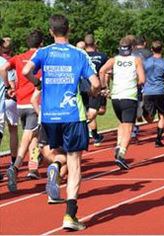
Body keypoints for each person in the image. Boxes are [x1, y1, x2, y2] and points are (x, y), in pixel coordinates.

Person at [23, 14, 100, 231]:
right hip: (73, 115)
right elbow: (95, 83)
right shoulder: (79, 54)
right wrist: (95, 90)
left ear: (50, 31)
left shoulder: (43, 52)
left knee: (51, 151)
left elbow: (25, 71)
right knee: (75, 161)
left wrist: (38, 83)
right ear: (69, 29)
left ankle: (56, 164)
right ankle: (70, 214)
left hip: (49, 115)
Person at [0, 30, 43, 192]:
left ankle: (33, 168)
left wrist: (8, 86)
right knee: (28, 136)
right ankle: (16, 166)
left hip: (20, 103)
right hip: (35, 102)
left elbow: (4, 68)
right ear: (41, 43)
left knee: (33, 135)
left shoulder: (18, 58)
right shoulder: (41, 58)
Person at [99, 36, 145, 170]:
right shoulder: (136, 60)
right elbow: (142, 79)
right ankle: (122, 154)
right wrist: (133, 83)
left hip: (116, 97)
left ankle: (119, 145)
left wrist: (104, 87)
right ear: (132, 48)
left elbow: (102, 71)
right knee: (129, 127)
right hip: (129, 96)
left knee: (122, 123)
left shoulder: (114, 60)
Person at [142, 40, 164, 147]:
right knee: (162, 116)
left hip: (147, 91)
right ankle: (158, 139)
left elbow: (140, 75)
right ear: (162, 49)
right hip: (160, 91)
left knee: (150, 118)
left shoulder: (146, 62)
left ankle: (145, 113)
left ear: (151, 50)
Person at [84, 34, 109, 146]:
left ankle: (94, 134)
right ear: (94, 43)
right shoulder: (102, 56)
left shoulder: (81, 55)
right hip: (96, 87)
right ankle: (93, 134)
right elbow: (106, 73)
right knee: (94, 112)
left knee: (93, 111)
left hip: (83, 87)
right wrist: (105, 86)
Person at [0, 38, 18, 180]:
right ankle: (13, 162)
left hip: (3, 103)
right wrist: (8, 87)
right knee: (12, 130)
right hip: (6, 102)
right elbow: (12, 84)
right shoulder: (6, 63)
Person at [131, 35, 152, 139]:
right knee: (144, 103)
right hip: (147, 81)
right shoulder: (149, 53)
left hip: (135, 82)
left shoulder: (131, 53)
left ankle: (134, 127)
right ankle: (142, 113)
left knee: (135, 102)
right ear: (144, 43)